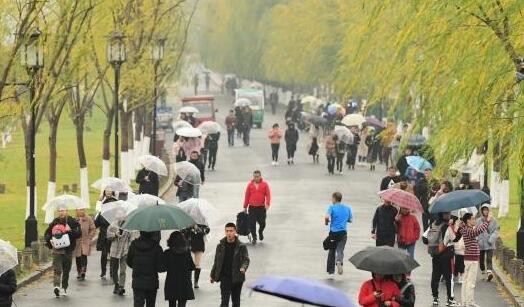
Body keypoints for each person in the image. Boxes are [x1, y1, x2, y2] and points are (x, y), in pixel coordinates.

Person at [44, 206, 82, 297]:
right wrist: (50, 240)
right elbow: (47, 233)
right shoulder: (55, 222)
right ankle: (56, 286)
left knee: (66, 270)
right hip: (57, 250)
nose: (61, 212)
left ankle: (64, 287)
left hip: (68, 250)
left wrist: (70, 231)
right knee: (57, 269)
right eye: (60, 211)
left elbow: (79, 234)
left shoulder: (72, 221)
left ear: (67, 211)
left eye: (63, 210)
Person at [210, 223, 250, 307]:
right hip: (225, 277)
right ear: (225, 232)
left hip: (237, 277)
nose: (229, 233)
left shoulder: (241, 246)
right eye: (227, 231)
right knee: (224, 301)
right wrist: (212, 275)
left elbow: (246, 259)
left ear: (235, 231)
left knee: (236, 301)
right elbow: (216, 261)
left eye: (231, 231)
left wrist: (243, 267)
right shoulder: (220, 246)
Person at [426, 212, 459, 306]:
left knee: (435, 277)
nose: (449, 215)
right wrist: (459, 229)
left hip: (435, 254)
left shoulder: (433, 225)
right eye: (447, 214)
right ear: (443, 215)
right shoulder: (447, 227)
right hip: (446, 255)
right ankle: (450, 299)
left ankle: (435, 298)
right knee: (448, 278)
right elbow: (455, 239)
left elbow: (425, 239)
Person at [459, 212, 491, 307]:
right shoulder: (469, 230)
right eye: (472, 219)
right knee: (471, 282)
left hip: (468, 258)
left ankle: (465, 301)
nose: (474, 221)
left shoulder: (465, 229)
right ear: (468, 220)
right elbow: (478, 231)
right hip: (472, 259)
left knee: (465, 281)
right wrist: (487, 221)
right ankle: (470, 302)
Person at [127, 231, 164, 307]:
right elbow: (160, 267)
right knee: (151, 304)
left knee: (138, 304)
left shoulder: (133, 245)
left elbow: (129, 261)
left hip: (138, 281)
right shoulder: (156, 247)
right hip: (152, 282)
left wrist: (136, 267)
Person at [163, 231, 195, 307]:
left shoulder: (167, 253)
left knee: (172, 304)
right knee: (182, 305)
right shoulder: (187, 253)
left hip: (171, 283)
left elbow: (163, 268)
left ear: (170, 241)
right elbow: (192, 267)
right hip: (184, 283)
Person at [324, 192, 353, 276]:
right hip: (343, 233)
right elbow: (350, 220)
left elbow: (326, 217)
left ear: (334, 199)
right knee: (340, 249)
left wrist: (326, 222)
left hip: (333, 233)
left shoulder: (332, 207)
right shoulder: (347, 208)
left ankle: (330, 271)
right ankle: (339, 261)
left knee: (332, 250)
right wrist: (343, 220)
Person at [107, 220, 136, 296]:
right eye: (119, 213)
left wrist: (129, 246)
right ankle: (116, 284)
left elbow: (131, 238)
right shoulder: (113, 225)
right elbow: (108, 236)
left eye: (122, 213)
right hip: (114, 250)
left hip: (124, 251)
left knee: (123, 270)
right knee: (114, 270)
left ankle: (121, 287)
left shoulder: (128, 226)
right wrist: (115, 235)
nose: (121, 215)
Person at [243, 170, 271, 245]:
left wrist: (267, 204)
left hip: (261, 208)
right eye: (255, 177)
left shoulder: (265, 184)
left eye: (257, 177)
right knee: (252, 223)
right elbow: (247, 196)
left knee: (262, 223)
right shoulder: (250, 185)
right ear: (253, 177)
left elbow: (268, 195)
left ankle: (260, 232)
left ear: (260, 176)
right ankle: (254, 237)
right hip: (252, 207)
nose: (256, 178)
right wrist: (245, 206)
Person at [95, 189, 118, 279]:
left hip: (114, 237)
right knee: (104, 254)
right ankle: (103, 272)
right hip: (104, 237)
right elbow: (96, 224)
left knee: (113, 256)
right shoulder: (102, 214)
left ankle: (112, 272)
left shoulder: (117, 214)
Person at [182, 224, 210, 289]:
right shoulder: (186, 227)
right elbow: (182, 233)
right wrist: (187, 229)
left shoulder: (201, 226)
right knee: (189, 264)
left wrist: (197, 228)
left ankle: (196, 282)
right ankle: (189, 281)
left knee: (197, 264)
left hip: (199, 247)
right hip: (189, 247)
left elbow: (207, 231)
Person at [476, 204, 499, 282]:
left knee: (489, 258)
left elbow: (496, 231)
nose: (485, 211)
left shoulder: (494, 220)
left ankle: (489, 273)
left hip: (489, 243)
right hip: (481, 243)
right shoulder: (478, 220)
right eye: (484, 210)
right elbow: (476, 231)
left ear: (489, 211)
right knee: (481, 259)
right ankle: (482, 271)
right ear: (482, 211)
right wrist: (477, 239)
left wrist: (491, 239)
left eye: (486, 210)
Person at [74, 208, 96, 281]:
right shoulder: (75, 219)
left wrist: (89, 237)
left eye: (82, 209)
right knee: (78, 257)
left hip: (85, 240)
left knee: (84, 255)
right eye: (79, 210)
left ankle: (83, 271)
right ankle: (79, 271)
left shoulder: (88, 219)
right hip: (77, 241)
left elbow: (93, 229)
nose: (81, 211)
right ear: (76, 211)